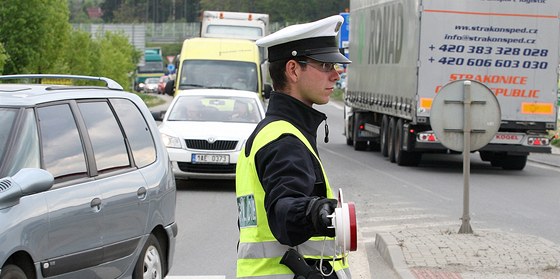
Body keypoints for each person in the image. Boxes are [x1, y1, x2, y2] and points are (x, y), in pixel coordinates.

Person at [235, 15, 352, 279]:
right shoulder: (284, 141)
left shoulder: (272, 132)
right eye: (325, 65)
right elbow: (284, 214)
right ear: (293, 70)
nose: (336, 74)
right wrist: (319, 213)